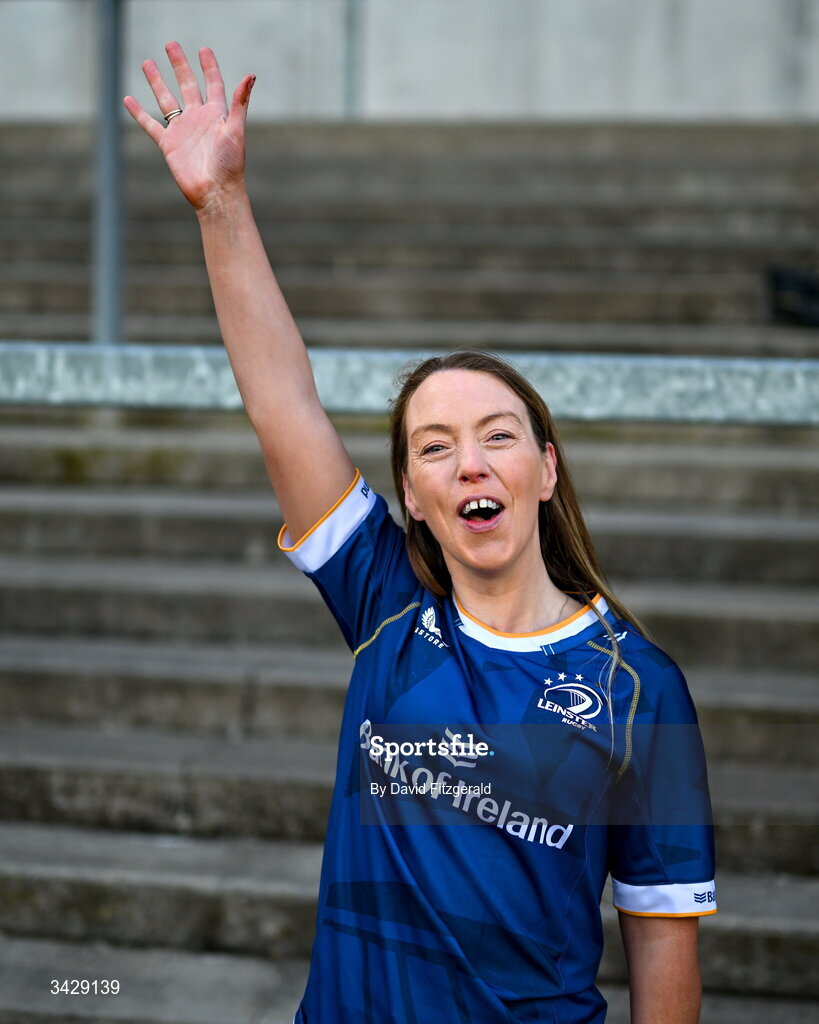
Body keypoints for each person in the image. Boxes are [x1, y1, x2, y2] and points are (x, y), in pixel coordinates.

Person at [124, 42, 717, 1024]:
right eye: (435, 447)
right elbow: (282, 404)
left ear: (546, 468)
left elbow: (664, 950)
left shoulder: (638, 686)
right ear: (413, 490)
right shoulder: (386, 609)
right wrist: (220, 201)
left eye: (497, 437)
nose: (470, 463)